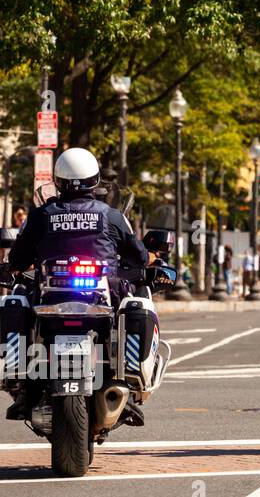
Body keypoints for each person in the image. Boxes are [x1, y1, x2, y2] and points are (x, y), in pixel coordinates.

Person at [4, 148, 153, 420]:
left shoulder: (40, 215)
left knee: (17, 301)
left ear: (57, 180)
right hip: (102, 298)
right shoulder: (110, 215)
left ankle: (23, 387)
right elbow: (139, 257)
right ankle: (128, 384)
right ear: (95, 179)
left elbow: (18, 258)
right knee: (133, 305)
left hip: (49, 300)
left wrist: (14, 267)